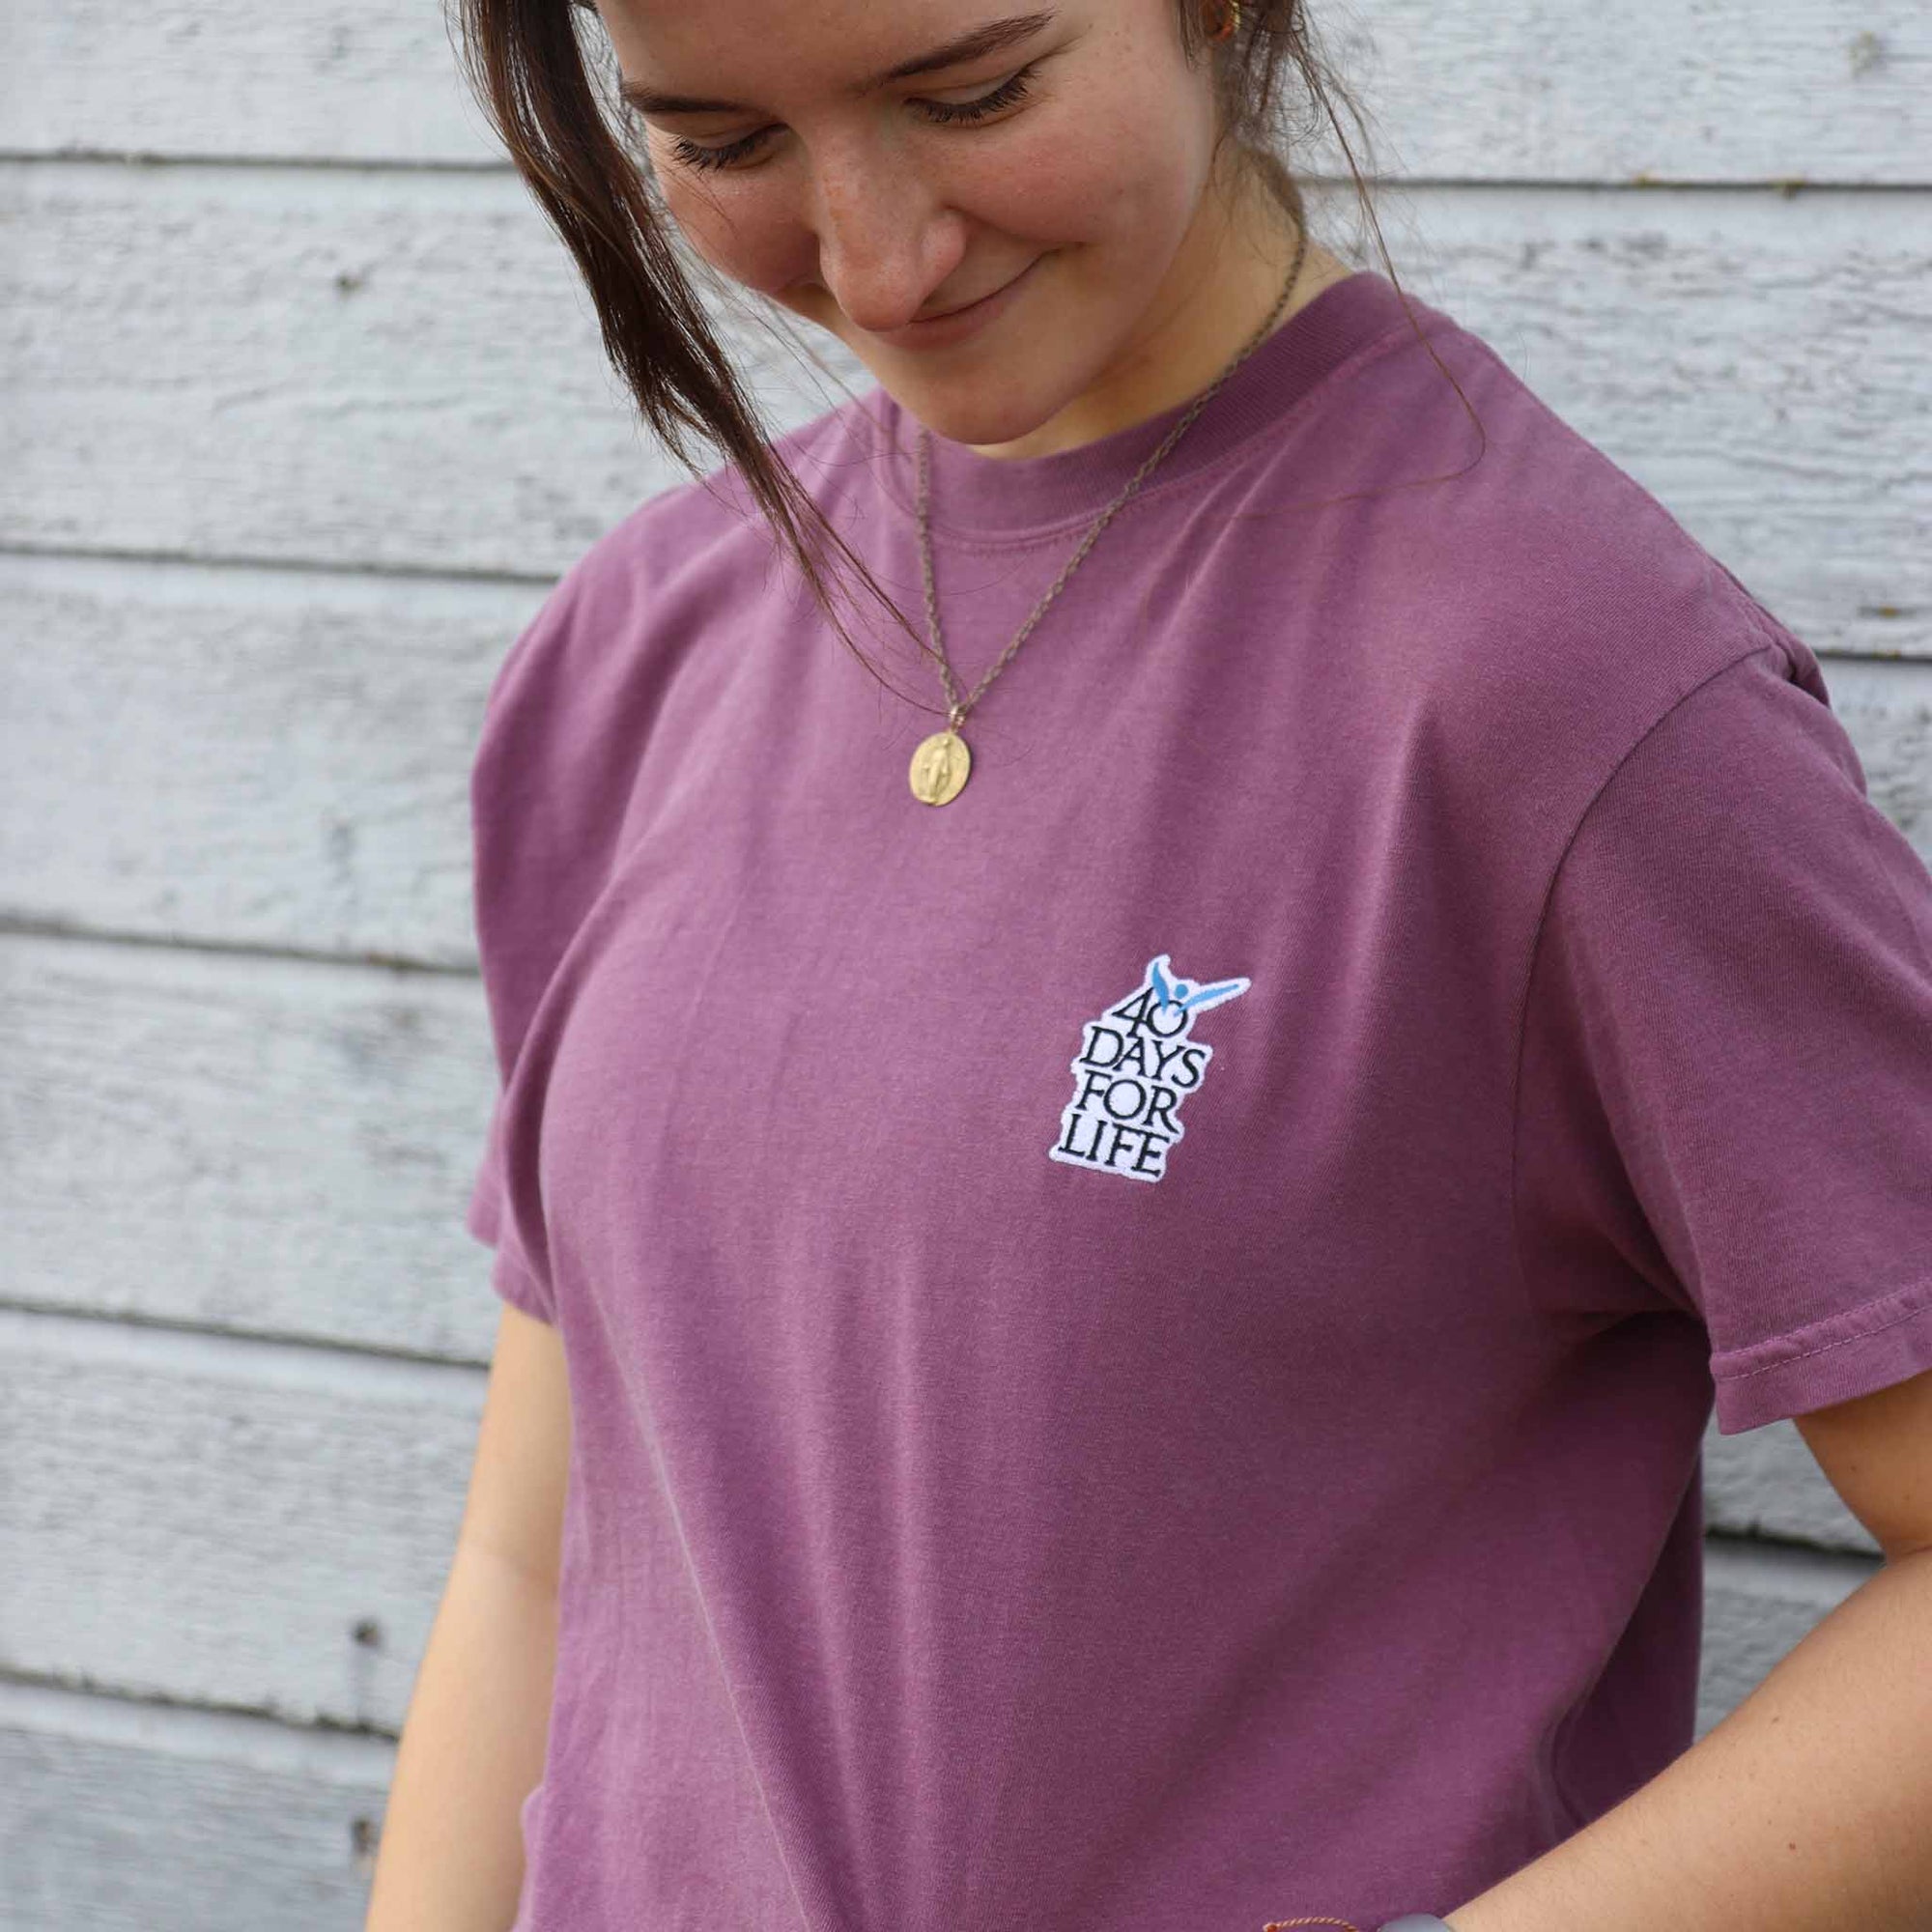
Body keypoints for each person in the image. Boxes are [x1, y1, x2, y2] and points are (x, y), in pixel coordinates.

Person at [364, 3, 1932, 1930]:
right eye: (725, 142)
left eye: (971, 94)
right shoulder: (640, 649)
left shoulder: (1560, 685)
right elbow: (546, 1548)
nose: (872, 256)